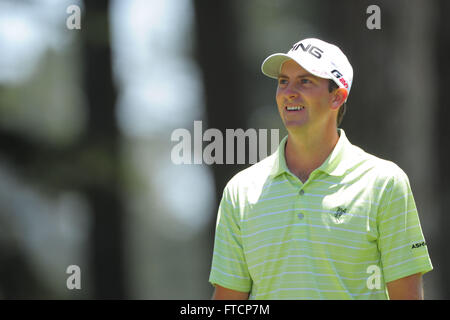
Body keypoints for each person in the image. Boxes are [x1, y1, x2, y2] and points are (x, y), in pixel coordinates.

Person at [208, 38, 433, 300]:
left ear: (337, 97)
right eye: (283, 81)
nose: (289, 92)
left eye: (305, 81)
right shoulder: (241, 190)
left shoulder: (384, 182)